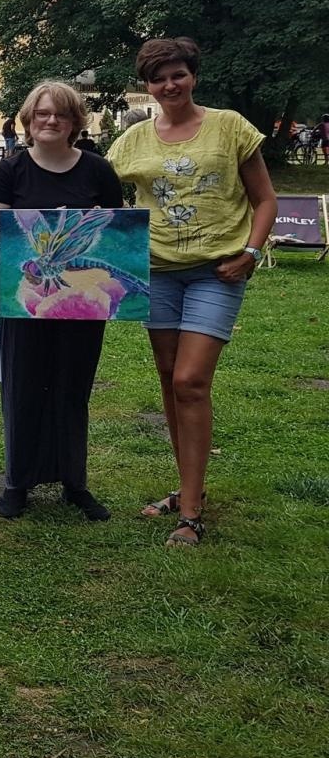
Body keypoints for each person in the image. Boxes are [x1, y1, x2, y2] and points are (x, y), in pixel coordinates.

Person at [107, 37, 277, 546]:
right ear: (147, 86)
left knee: (190, 381)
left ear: (193, 76)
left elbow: (264, 199)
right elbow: (97, 190)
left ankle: (192, 512)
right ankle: (186, 492)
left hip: (216, 272)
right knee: (168, 380)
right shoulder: (134, 140)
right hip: (155, 272)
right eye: (158, 79)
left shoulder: (229, 127)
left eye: (177, 74)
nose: (169, 85)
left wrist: (249, 252)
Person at [0, 82, 122, 521]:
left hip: (82, 301)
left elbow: (117, 232)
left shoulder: (97, 171)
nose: (51, 121)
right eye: (42, 114)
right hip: (27, 299)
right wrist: (42, 232)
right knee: (22, 386)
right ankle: (17, 483)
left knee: (72, 387)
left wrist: (86, 229)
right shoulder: (11, 171)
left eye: (60, 114)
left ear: (75, 121)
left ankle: (75, 483)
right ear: (28, 120)